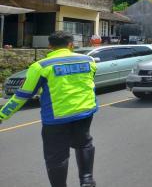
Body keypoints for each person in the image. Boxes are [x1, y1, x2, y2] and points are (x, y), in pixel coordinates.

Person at [0, 31, 98, 187]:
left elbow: (22, 96)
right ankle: (87, 180)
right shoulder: (89, 60)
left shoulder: (40, 66)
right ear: (71, 45)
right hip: (84, 112)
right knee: (84, 143)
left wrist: (2, 115)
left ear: (50, 46)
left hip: (56, 117)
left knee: (56, 155)